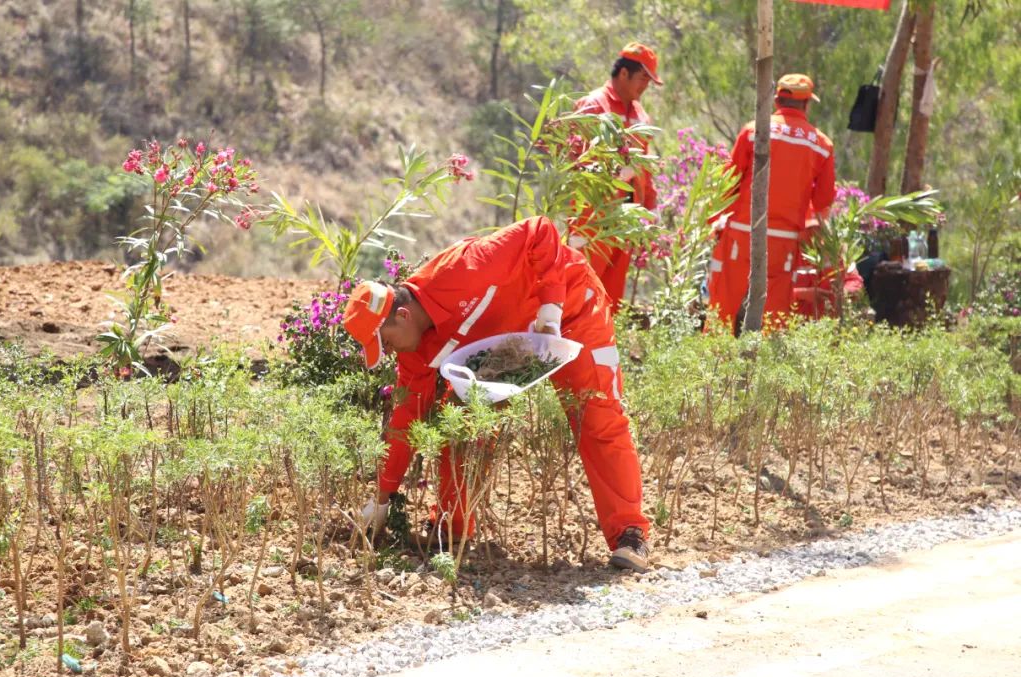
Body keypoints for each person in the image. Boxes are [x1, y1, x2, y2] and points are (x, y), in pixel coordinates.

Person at [343, 216, 651, 572]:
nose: (391, 353)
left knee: (598, 416)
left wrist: (550, 311)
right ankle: (452, 527)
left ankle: (630, 534)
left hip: (572, 312)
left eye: (387, 343)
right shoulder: (415, 351)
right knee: (458, 420)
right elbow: (406, 415)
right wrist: (382, 497)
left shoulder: (464, 268)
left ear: (402, 315)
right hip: (511, 342)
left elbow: (540, 231)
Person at [706, 73, 836, 332]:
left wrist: (714, 222)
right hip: (783, 241)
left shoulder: (753, 131)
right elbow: (822, 203)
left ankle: (711, 367)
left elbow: (729, 182)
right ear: (807, 105)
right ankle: (767, 369)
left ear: (776, 100)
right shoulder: (822, 145)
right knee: (775, 317)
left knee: (723, 309)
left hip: (743, 233)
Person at [571, 41, 662, 310]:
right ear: (624, 73)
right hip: (593, 217)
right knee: (581, 289)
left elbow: (644, 168)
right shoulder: (593, 105)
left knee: (611, 299)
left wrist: (650, 208)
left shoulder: (639, 114)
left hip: (625, 218)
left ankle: (603, 348)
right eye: (643, 78)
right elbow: (573, 160)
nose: (645, 86)